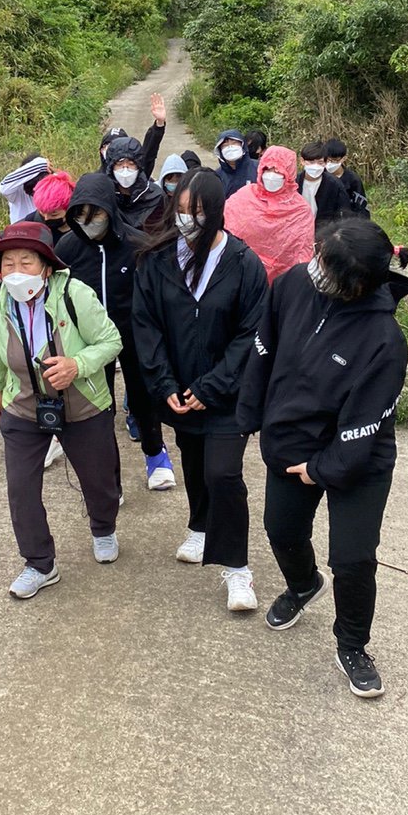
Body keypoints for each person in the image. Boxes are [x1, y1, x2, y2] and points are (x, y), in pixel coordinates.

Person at [236, 220, 408, 699]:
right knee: (282, 530)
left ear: (357, 285)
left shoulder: (384, 340)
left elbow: (364, 421)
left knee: (353, 558)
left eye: (327, 268)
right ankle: (302, 583)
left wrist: (322, 469)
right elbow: (263, 347)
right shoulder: (293, 284)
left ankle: (352, 644)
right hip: (293, 443)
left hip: (360, 459)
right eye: (317, 257)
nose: (314, 270)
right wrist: (250, 414)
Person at [133, 170, 268, 612]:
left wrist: (213, 385)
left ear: (217, 212)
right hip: (177, 389)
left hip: (228, 394)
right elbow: (146, 325)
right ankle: (200, 525)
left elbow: (251, 334)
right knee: (193, 459)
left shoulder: (245, 264)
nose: (188, 219)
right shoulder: (156, 261)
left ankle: (238, 571)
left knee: (223, 473)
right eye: (182, 209)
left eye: (198, 211)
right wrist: (164, 382)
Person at [0, 222, 123, 598]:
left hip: (82, 404)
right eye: (7, 263)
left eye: (26, 262)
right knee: (21, 488)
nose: (15, 272)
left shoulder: (75, 294)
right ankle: (39, 563)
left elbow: (111, 341)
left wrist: (76, 364)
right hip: (24, 405)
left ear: (46, 267)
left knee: (99, 481)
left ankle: (103, 526)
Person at [56, 172, 176, 492]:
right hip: (91, 341)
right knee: (99, 406)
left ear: (110, 208)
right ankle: (110, 478)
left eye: (95, 213)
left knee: (141, 396)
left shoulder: (137, 244)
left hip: (134, 335)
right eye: (80, 214)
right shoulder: (67, 248)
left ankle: (156, 454)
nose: (88, 221)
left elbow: (157, 294)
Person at [223, 146, 316, 283]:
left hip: (281, 283)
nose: (272, 175)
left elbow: (303, 252)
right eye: (268, 169)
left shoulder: (300, 210)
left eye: (278, 170)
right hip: (241, 276)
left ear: (289, 174)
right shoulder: (244, 196)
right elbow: (224, 230)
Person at [103, 134, 165, 230]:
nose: (125, 169)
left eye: (131, 164)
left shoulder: (156, 196)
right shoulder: (105, 195)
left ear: (139, 166)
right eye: (119, 164)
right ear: (111, 167)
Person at [99, 91, 168, 177]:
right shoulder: (96, 181)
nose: (109, 149)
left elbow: (149, 151)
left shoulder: (137, 174)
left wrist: (159, 125)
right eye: (106, 145)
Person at [297, 141, 354, 231]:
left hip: (324, 232)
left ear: (326, 162)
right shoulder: (294, 183)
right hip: (298, 230)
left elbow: (344, 212)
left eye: (320, 162)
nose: (315, 166)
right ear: (302, 161)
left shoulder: (335, 185)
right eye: (311, 162)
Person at [0, 153, 52, 224]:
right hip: (21, 233)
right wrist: (42, 163)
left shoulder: (51, 187)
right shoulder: (16, 191)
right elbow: (3, 187)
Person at [24, 170, 76, 241]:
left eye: (54, 214)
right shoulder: (31, 222)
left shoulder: (83, 229)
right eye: (42, 212)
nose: (46, 218)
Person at [324, 138, 371, 217]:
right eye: (327, 160)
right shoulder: (320, 177)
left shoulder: (353, 180)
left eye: (334, 160)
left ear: (344, 158)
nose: (330, 163)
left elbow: (361, 208)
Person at [214, 129, 258, 198]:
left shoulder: (258, 168)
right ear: (220, 150)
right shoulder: (217, 176)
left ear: (242, 145)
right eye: (225, 145)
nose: (230, 147)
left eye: (234, 143)